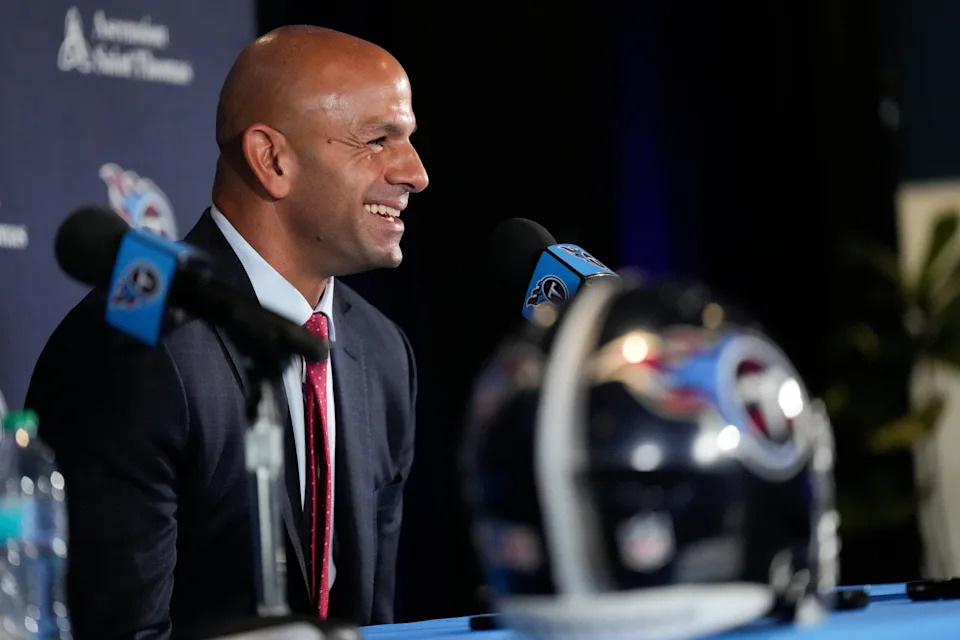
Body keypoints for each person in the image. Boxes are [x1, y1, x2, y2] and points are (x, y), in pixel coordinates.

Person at [25, 25, 428, 637]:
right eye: (377, 140)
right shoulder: (133, 343)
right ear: (272, 159)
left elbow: (371, 625)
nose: (415, 173)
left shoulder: (383, 350)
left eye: (409, 140)